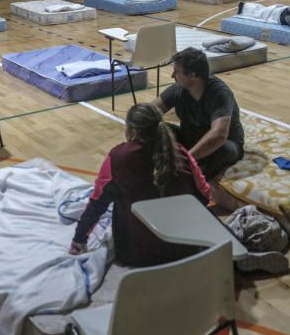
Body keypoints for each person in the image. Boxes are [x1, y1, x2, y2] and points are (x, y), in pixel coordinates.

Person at [69, 103, 211, 266]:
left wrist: (79, 238)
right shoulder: (181, 154)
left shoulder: (118, 157)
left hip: (137, 255)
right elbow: (205, 195)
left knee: (117, 196)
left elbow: (98, 203)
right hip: (186, 250)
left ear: (133, 131)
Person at [151, 48, 245, 180]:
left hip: (221, 145)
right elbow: (148, 112)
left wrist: (186, 159)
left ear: (192, 75)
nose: (172, 76)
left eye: (176, 71)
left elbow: (219, 135)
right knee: (154, 128)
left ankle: (195, 179)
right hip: (191, 137)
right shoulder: (178, 90)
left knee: (225, 150)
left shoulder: (219, 93)